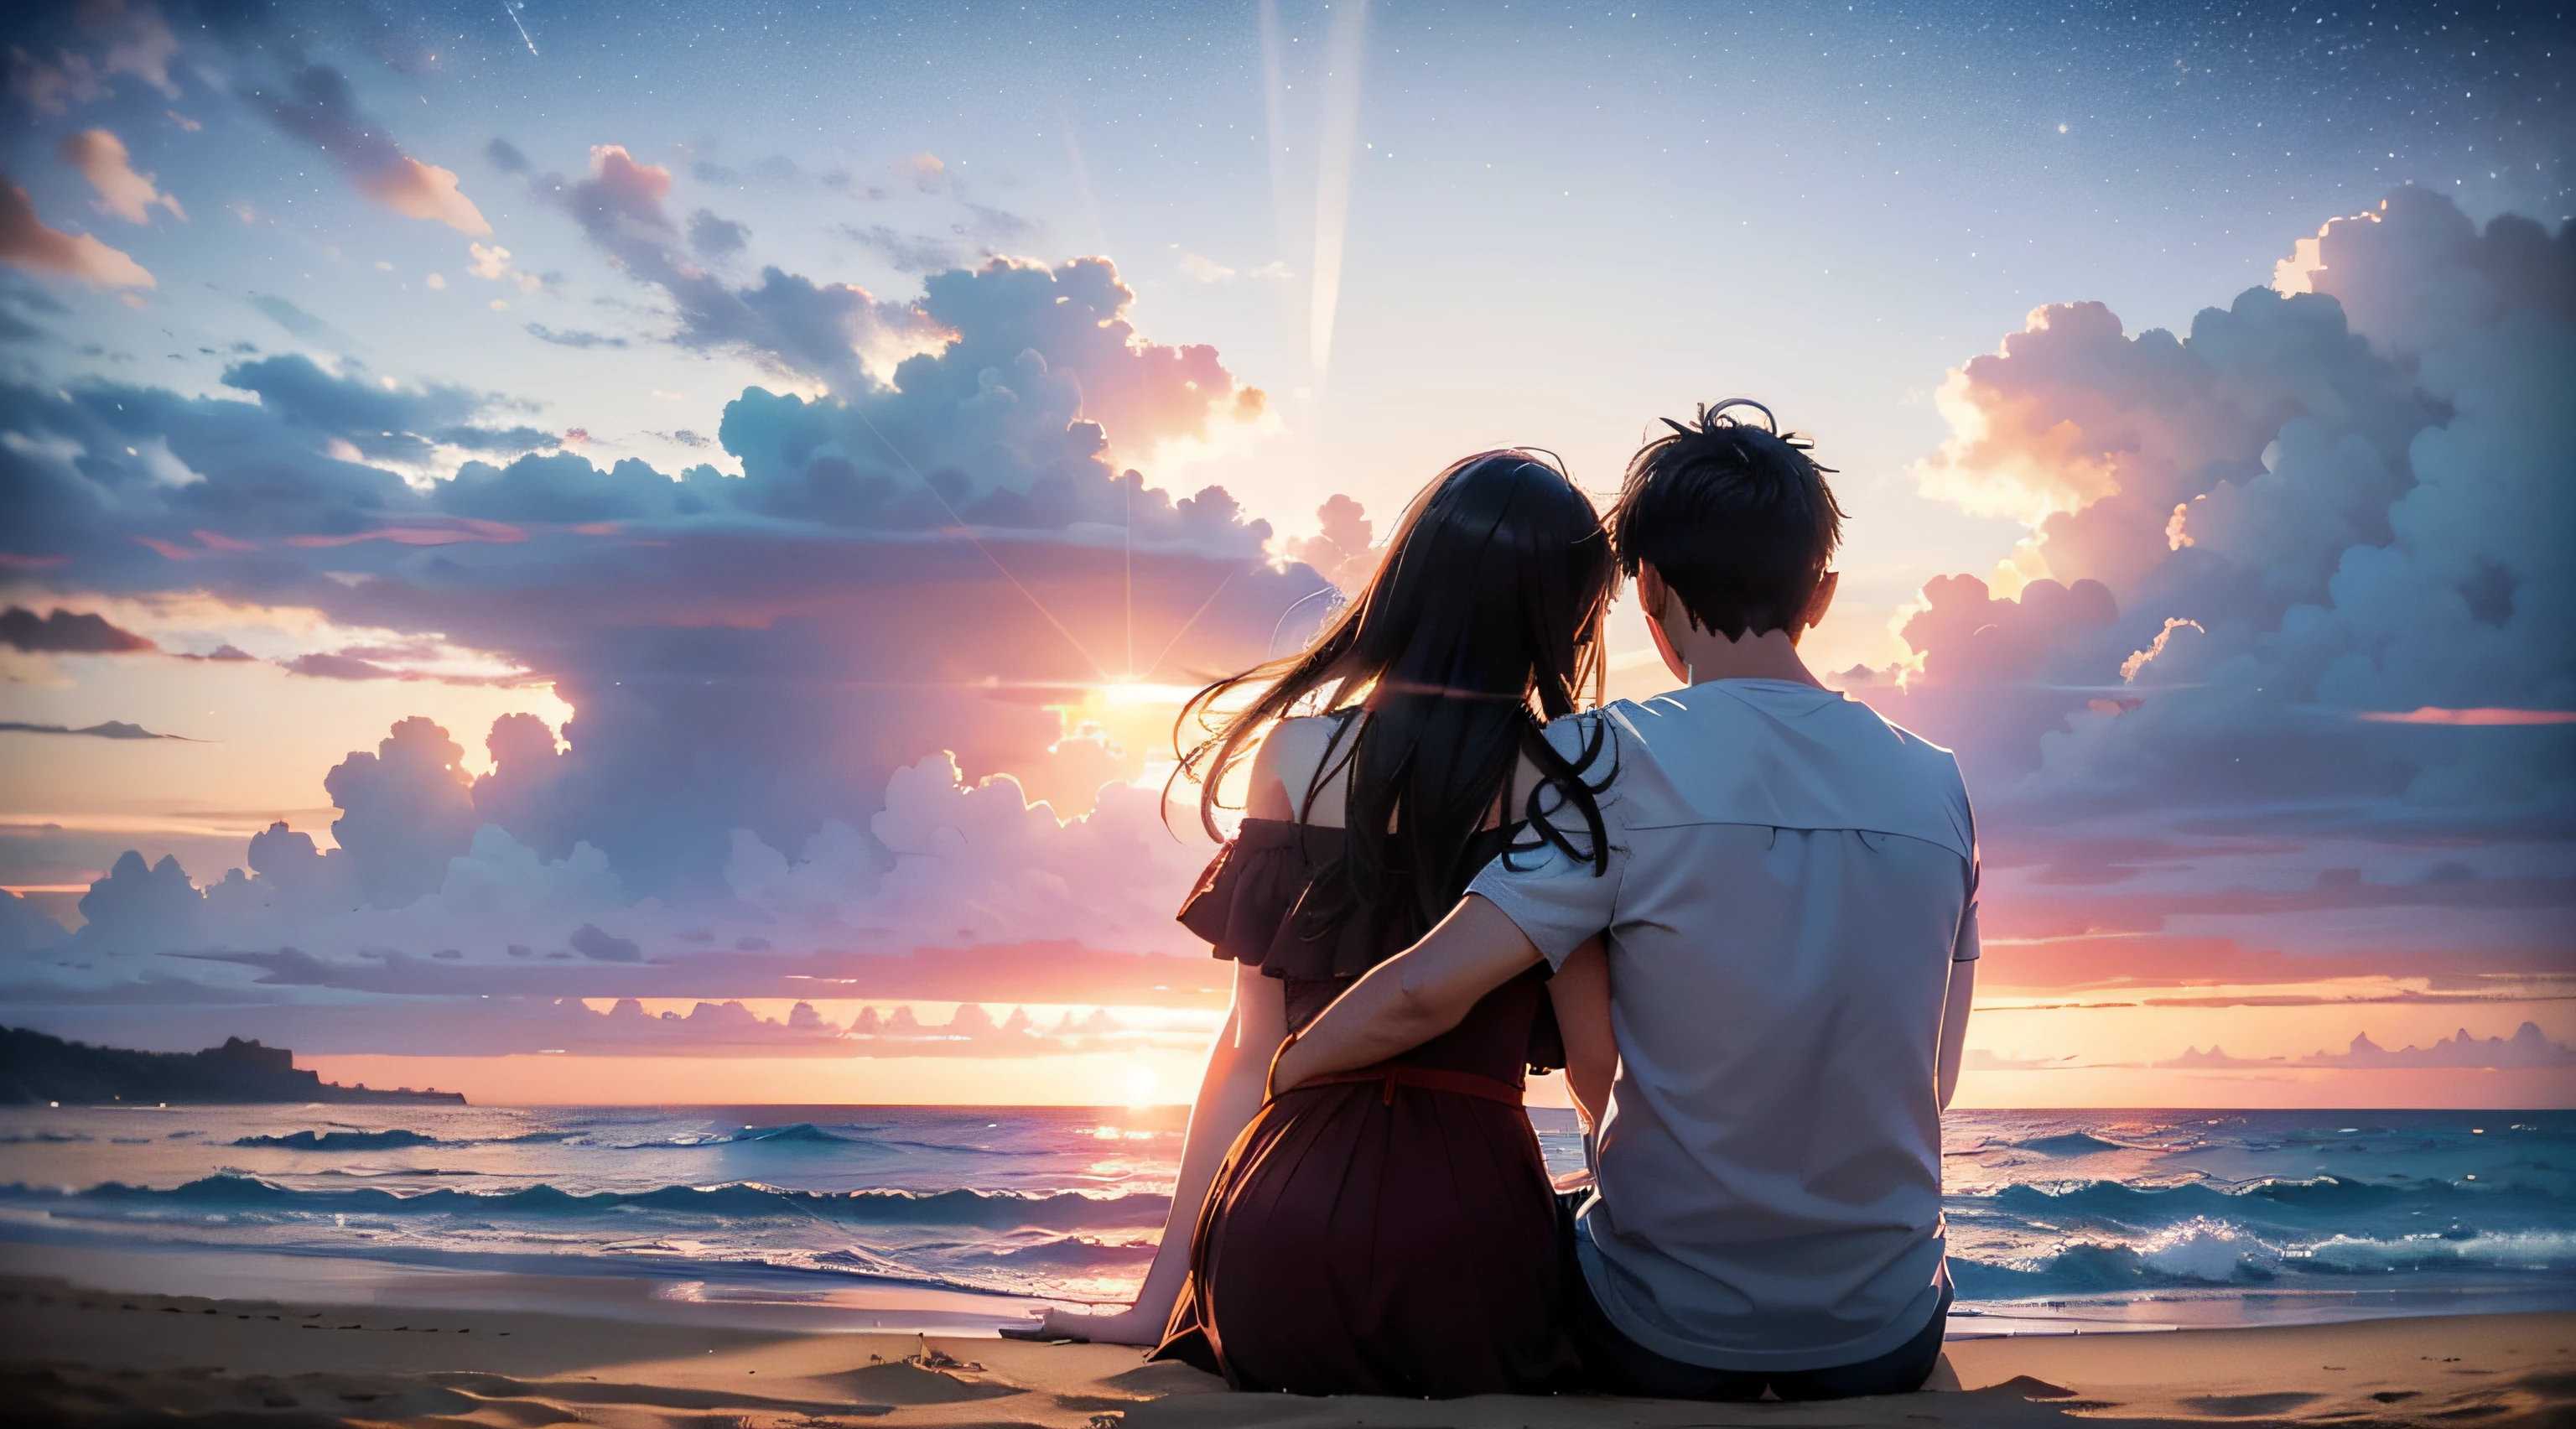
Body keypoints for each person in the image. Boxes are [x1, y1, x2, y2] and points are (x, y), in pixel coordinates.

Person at [1273, 401, 1980, 1402]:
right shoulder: (1939, 783)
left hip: (1669, 1335)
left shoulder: (1604, 756)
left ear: (1644, 589)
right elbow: (1933, 1085)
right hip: (1888, 1330)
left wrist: (1286, 1070)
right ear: (1821, 593)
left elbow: (1424, 995)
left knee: (1538, 1231)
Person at [1023, 448, 1622, 1398]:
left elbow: (1247, 1052)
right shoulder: (1566, 787)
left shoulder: (1294, 757)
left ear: (1409, 578)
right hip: (1472, 1259)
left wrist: (1156, 1300)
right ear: (1563, 614)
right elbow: (1601, 1077)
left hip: (1276, 1254)